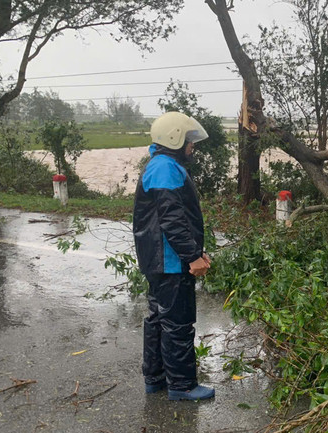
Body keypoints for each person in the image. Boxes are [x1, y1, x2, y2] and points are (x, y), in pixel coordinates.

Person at [133, 111, 215, 401]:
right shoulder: (165, 168)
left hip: (160, 258)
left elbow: (174, 219)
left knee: (159, 318)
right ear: (174, 138)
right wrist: (191, 256)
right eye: (189, 141)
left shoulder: (160, 165)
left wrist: (195, 250)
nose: (192, 146)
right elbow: (172, 219)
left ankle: (155, 378)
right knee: (178, 322)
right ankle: (181, 385)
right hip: (169, 260)